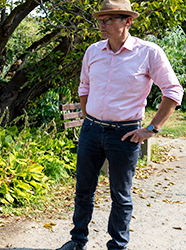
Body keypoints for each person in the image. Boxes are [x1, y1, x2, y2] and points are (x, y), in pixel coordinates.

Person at [57, 0, 184, 250]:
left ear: (128, 21)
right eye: (100, 20)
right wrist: (88, 116)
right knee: (83, 190)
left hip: (125, 135)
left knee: (120, 195)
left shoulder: (148, 52)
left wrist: (152, 128)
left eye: (109, 20)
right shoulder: (93, 51)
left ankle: (117, 245)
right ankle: (77, 240)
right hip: (91, 131)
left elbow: (173, 90)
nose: (102, 25)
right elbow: (84, 86)